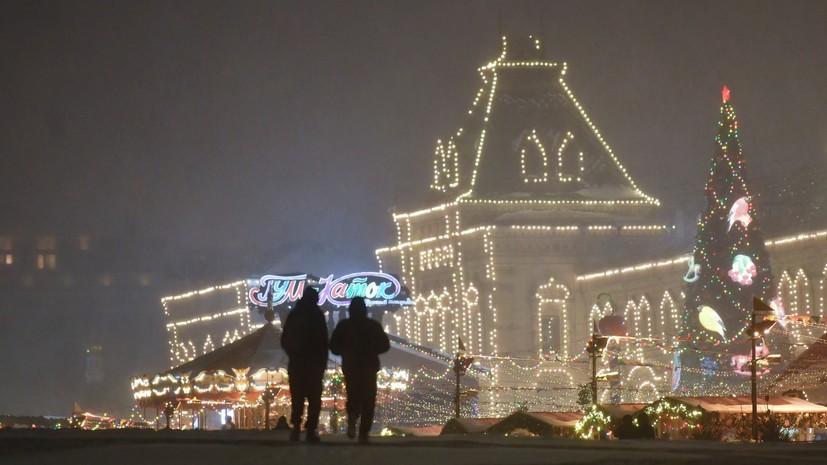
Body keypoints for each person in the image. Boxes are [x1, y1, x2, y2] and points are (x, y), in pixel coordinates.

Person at [329, 296, 390, 444]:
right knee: (369, 401)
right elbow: (385, 345)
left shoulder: (344, 326)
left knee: (353, 396)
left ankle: (352, 417)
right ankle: (363, 433)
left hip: (351, 367)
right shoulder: (373, 326)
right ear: (365, 310)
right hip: (369, 368)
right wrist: (372, 351)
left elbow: (333, 346)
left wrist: (345, 351)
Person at [280, 287, 329, 443]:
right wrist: (322, 363)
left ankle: (296, 428)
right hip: (314, 365)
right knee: (314, 399)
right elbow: (323, 341)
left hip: (297, 363)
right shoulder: (317, 316)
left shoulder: (294, 315)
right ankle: (310, 430)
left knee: (297, 398)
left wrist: (293, 353)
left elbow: (285, 339)